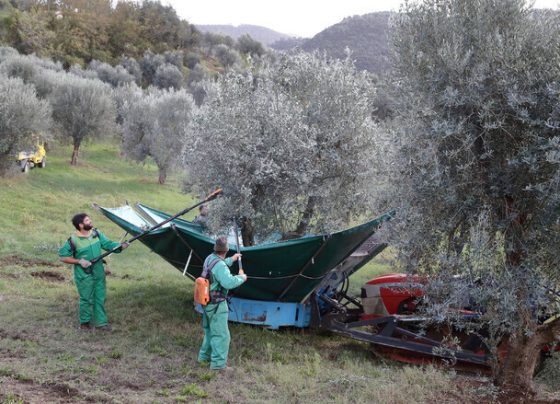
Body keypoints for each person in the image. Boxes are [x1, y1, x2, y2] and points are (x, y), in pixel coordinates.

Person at [59, 213, 128, 331]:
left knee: (100, 296)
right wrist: (79, 261)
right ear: (80, 225)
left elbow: (108, 244)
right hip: (83, 274)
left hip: (98, 271)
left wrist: (120, 246)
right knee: (86, 298)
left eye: (89, 219)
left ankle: (101, 323)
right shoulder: (73, 240)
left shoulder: (96, 234)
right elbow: (63, 256)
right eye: (87, 221)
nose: (90, 222)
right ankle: (84, 323)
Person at [198, 236, 247, 370]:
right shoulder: (220, 265)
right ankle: (218, 365)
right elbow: (228, 282)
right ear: (226, 250)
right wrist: (241, 277)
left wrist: (232, 259)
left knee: (209, 332)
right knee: (221, 335)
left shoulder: (210, 258)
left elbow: (219, 265)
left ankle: (203, 358)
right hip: (217, 304)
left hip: (206, 302)